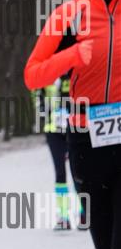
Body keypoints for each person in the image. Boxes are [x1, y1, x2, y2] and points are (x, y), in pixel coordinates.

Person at [25, 0, 121, 249]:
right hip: (86, 140)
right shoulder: (69, 15)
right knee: (104, 242)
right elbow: (33, 75)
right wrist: (73, 55)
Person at [32, 74, 86, 231]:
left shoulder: (72, 73)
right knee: (60, 173)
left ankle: (84, 213)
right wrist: (45, 110)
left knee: (78, 172)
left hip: (74, 128)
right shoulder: (45, 75)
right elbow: (36, 97)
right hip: (53, 130)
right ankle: (64, 217)